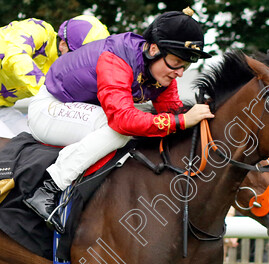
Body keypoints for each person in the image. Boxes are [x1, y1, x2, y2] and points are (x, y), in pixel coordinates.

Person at [24, 9, 215, 232]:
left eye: (186, 65)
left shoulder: (163, 73)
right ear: (154, 49)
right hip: (49, 109)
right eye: (176, 61)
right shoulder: (115, 59)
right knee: (119, 131)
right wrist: (182, 120)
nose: (180, 73)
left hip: (83, 110)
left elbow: (173, 114)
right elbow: (123, 121)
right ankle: (49, 188)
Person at [0, 16, 110, 138]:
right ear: (63, 44)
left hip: (0, 108)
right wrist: (50, 90)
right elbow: (14, 56)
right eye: (78, 56)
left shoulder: (66, 67)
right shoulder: (37, 29)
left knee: (34, 144)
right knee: (4, 146)